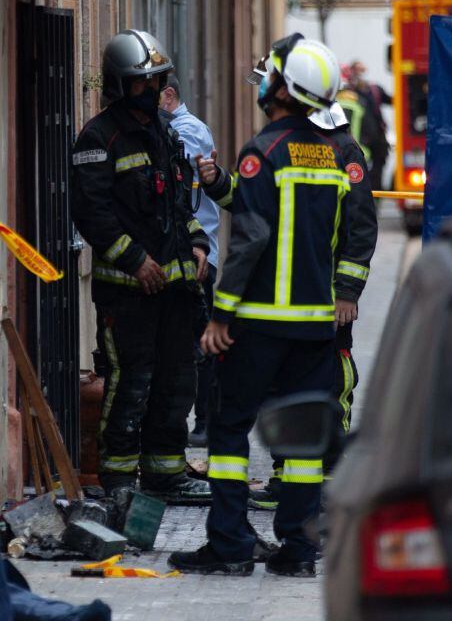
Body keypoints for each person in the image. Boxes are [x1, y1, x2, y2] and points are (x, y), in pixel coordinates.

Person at [167, 34, 347, 577]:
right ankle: (297, 551)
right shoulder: (338, 154)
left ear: (283, 88)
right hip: (316, 328)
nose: (262, 81)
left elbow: (247, 238)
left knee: (228, 431)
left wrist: (221, 316)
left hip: (261, 323)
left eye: (269, 74)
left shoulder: (262, 152)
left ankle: (230, 545)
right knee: (304, 442)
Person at [70, 29, 211, 506]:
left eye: (156, 81)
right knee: (131, 384)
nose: (150, 91)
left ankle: (165, 473)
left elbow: (179, 205)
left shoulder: (165, 134)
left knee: (177, 382)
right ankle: (119, 479)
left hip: (174, 292)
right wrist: (135, 260)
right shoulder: (97, 138)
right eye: (140, 83)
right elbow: (92, 213)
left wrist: (197, 245)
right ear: (118, 85)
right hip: (126, 293)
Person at [246, 99, 378, 511]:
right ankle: (290, 478)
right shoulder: (296, 147)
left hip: (328, 296)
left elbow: (361, 226)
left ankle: (332, 475)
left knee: (333, 380)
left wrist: (346, 292)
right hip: (294, 296)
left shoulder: (344, 150)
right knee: (287, 385)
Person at [159, 74, 220, 448]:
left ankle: (207, 421)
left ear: (169, 95)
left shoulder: (187, 130)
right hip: (182, 253)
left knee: (202, 342)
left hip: (200, 254)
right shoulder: (170, 126)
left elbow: (178, 166)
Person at [348, 61, 393, 191]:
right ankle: (361, 191)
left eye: (362, 70)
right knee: (359, 166)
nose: (359, 74)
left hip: (378, 136)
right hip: (359, 137)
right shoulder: (349, 92)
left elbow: (393, 100)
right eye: (356, 71)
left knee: (379, 164)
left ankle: (376, 193)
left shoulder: (375, 90)